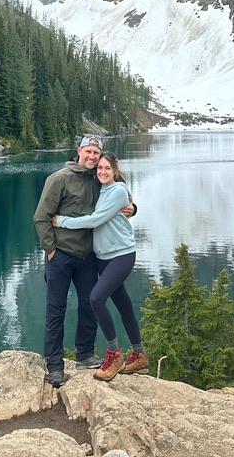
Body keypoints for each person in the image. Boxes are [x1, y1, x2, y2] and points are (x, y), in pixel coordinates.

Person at [32, 134, 134, 388]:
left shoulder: (99, 178)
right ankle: (54, 365)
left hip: (88, 256)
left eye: (96, 153)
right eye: (87, 152)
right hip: (61, 255)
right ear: (78, 151)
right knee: (56, 309)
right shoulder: (58, 179)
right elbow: (41, 217)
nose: (92, 157)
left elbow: (120, 199)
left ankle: (85, 355)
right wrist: (51, 249)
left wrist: (134, 208)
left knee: (90, 306)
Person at [53, 151, 148, 382]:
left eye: (107, 168)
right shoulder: (100, 188)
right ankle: (139, 356)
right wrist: (132, 208)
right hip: (103, 257)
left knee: (96, 299)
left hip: (121, 254)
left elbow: (95, 219)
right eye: (100, 168)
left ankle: (114, 355)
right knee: (123, 304)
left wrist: (61, 221)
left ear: (115, 170)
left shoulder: (117, 190)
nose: (102, 171)